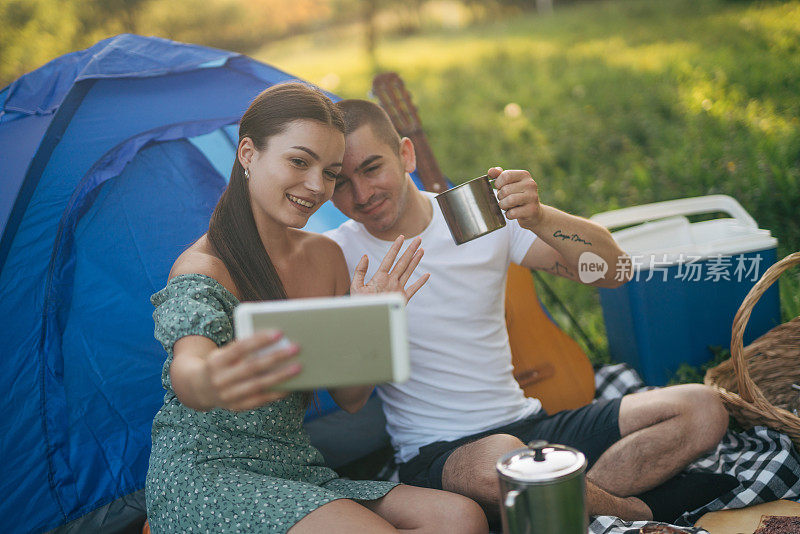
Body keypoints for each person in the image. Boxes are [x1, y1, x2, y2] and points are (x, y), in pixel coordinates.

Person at [324, 99, 732, 523]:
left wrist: (539, 216)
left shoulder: (472, 216)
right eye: (340, 183)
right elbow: (349, 399)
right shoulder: (337, 253)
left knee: (703, 408)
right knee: (499, 465)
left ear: (406, 154)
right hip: (443, 453)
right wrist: (373, 320)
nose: (362, 194)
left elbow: (613, 272)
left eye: (372, 168)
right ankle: (633, 509)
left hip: (531, 425)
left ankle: (562, 500)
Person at [145, 83, 489, 534]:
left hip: (293, 467)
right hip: (208, 474)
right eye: (298, 161)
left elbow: (350, 400)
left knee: (461, 517)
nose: (316, 186)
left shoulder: (325, 256)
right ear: (247, 154)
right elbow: (190, 370)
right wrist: (210, 378)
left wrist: (371, 323)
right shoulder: (202, 268)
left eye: (329, 173)